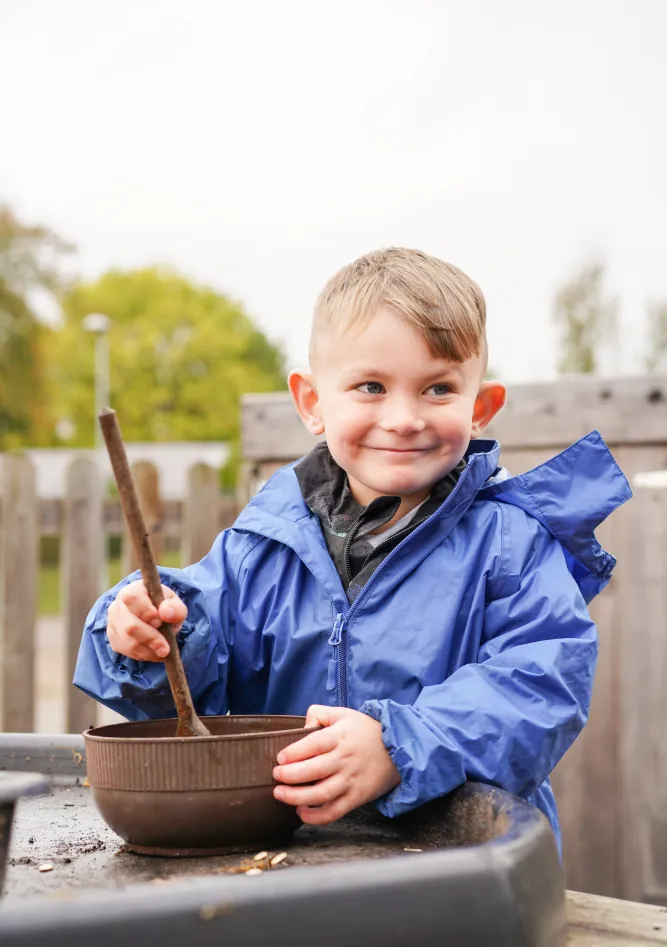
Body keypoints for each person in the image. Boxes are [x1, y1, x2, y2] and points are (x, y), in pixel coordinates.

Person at [74, 247, 631, 849]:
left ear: (481, 407)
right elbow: (190, 686)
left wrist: (399, 747)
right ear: (313, 402)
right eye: (371, 386)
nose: (403, 417)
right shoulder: (259, 546)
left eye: (438, 388)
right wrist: (145, 636)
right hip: (284, 860)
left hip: (459, 868)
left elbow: (542, 685)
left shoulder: (511, 543)